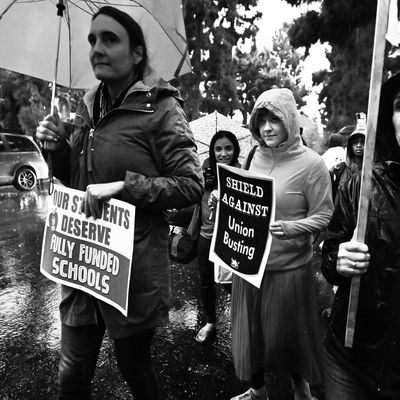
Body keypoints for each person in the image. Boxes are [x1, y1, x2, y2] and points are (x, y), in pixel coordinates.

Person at [36, 7, 203, 400]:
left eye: (110, 39)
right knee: (71, 376)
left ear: (138, 54)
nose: (97, 47)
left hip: (131, 270)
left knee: (135, 369)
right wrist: (57, 151)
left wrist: (123, 187)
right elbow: (76, 182)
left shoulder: (161, 109)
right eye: (93, 39)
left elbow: (190, 184)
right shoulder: (86, 107)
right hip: (81, 263)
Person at [228, 88, 333, 400]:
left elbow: (325, 214)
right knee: (252, 335)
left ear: (289, 119)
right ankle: (257, 390)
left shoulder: (313, 165)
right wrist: (227, 200)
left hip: (289, 271)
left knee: (290, 338)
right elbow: (245, 198)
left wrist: (292, 227)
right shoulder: (252, 155)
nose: (267, 128)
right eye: (262, 120)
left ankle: (300, 390)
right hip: (250, 267)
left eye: (275, 119)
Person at [321, 73, 400, 400]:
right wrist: (339, 260)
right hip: (349, 359)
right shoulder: (360, 184)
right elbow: (329, 258)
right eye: (399, 106)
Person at [193, 129, 241, 343]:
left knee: (231, 282)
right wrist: (203, 182)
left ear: (236, 149)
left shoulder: (242, 171)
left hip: (230, 236)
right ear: (212, 150)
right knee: (205, 279)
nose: (223, 153)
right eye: (218, 149)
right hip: (206, 233)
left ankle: (242, 321)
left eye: (228, 148)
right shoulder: (205, 168)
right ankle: (211, 321)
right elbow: (194, 192)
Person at [330, 113, 366, 203]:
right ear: (350, 145)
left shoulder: (375, 171)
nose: (359, 145)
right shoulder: (340, 170)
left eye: (362, 142)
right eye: (355, 142)